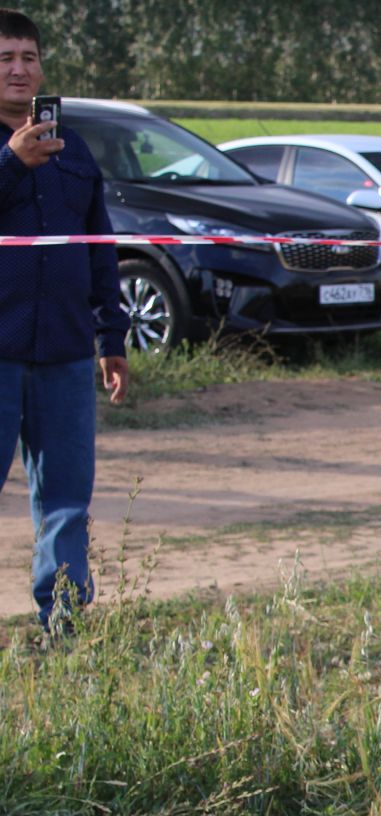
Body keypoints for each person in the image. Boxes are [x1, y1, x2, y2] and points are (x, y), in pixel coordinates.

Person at [0, 7, 129, 630]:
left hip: (67, 353)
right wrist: (10, 162)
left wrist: (113, 336)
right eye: (5, 59)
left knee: (67, 504)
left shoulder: (71, 146)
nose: (19, 70)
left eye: (28, 57)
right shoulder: (13, 150)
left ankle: (66, 627)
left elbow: (99, 246)